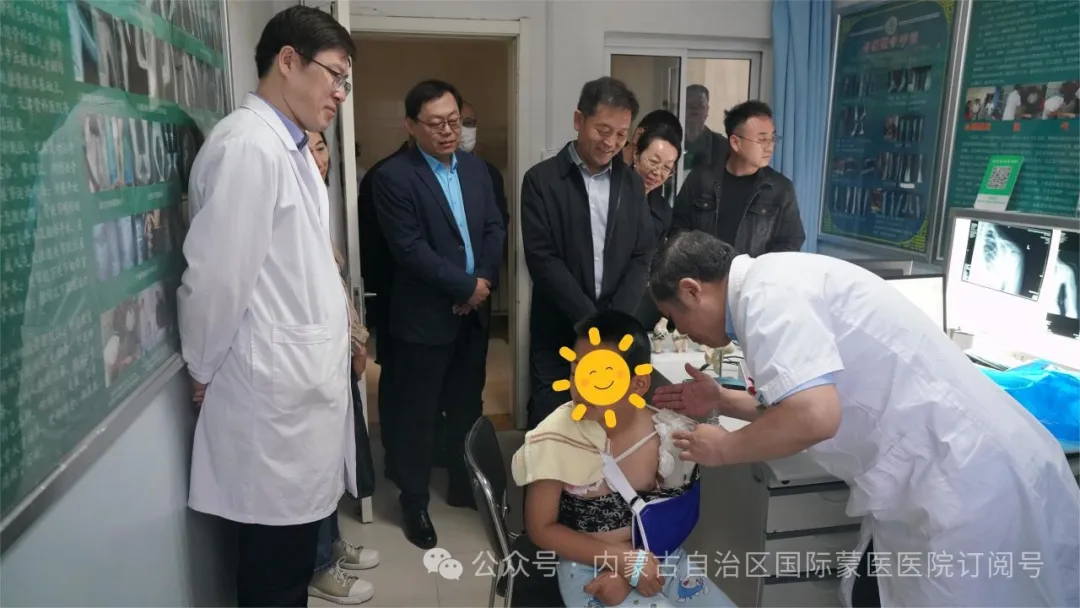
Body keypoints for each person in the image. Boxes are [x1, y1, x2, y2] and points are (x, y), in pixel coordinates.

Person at [648, 230, 1080, 608]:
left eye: (674, 318)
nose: (681, 332)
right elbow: (799, 404)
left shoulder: (768, 296)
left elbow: (814, 416)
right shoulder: (773, 282)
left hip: (969, 482)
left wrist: (726, 448)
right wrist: (723, 400)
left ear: (692, 290)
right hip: (948, 476)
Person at [176, 7, 358, 606]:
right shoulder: (248, 146)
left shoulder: (291, 148)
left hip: (293, 398)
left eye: (345, 81)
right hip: (270, 409)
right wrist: (202, 366)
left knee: (288, 567)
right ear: (287, 61)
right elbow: (217, 278)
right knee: (274, 577)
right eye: (334, 76)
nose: (340, 93)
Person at [512, 310, 735, 608]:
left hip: (661, 556)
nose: (581, 387)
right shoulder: (555, 440)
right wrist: (621, 561)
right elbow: (541, 528)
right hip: (586, 567)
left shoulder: (664, 432)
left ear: (638, 384)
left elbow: (676, 515)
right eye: (577, 372)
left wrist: (633, 567)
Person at [372, 79, 506, 549]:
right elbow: (409, 249)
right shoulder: (393, 177)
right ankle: (414, 502)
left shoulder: (477, 170)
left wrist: (482, 281)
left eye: (455, 121)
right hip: (423, 318)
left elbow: (494, 228)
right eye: (436, 124)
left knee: (467, 405)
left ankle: (463, 485)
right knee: (417, 414)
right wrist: (465, 286)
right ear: (411, 126)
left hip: (472, 314)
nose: (449, 131)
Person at [521, 77, 655, 429]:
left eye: (621, 134)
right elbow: (542, 259)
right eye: (603, 130)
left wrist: (614, 322)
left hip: (615, 336)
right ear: (579, 120)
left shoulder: (631, 184)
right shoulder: (541, 181)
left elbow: (642, 255)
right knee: (554, 424)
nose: (611, 143)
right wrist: (592, 323)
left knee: (608, 426)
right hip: (559, 330)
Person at [307, 131, 378, 605]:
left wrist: (355, 340)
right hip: (307, 368)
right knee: (314, 469)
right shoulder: (291, 208)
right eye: (308, 148)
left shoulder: (317, 205)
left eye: (321, 147)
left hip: (335, 358)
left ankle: (331, 544)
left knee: (335, 461)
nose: (319, 157)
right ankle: (317, 567)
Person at [670, 100, 805, 256]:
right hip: (701, 270)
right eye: (762, 139)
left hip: (753, 272)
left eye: (772, 138)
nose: (769, 147)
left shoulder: (780, 189)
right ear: (735, 142)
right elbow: (678, 231)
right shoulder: (700, 180)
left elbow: (790, 243)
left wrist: (755, 268)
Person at [682, 84, 730, 172]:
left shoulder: (722, 146)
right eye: (690, 104)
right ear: (681, 108)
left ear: (707, 110)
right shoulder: (672, 141)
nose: (694, 108)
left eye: (700, 104)